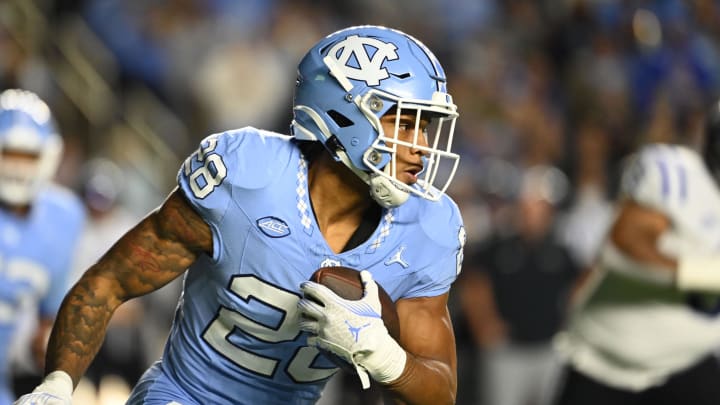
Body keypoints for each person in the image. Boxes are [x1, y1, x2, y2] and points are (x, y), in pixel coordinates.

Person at [15, 25, 466, 405]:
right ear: (344, 115)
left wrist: (385, 357)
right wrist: (57, 385)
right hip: (184, 396)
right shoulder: (247, 176)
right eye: (405, 123)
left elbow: (441, 386)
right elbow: (110, 281)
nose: (421, 148)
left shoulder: (426, 229)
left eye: (425, 127)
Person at [552, 101, 720, 405]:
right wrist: (702, 274)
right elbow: (626, 240)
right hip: (608, 365)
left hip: (689, 363)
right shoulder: (679, 174)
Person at [461, 165, 580, 405]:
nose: (533, 213)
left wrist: (571, 329)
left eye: (539, 207)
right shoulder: (498, 247)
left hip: (549, 349)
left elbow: (578, 289)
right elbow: (474, 284)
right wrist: (484, 324)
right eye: (529, 206)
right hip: (507, 351)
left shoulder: (561, 251)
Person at [0, 89, 85, 405]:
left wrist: (56, 371)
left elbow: (49, 322)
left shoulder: (62, 218)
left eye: (28, 156)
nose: (18, 167)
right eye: (9, 154)